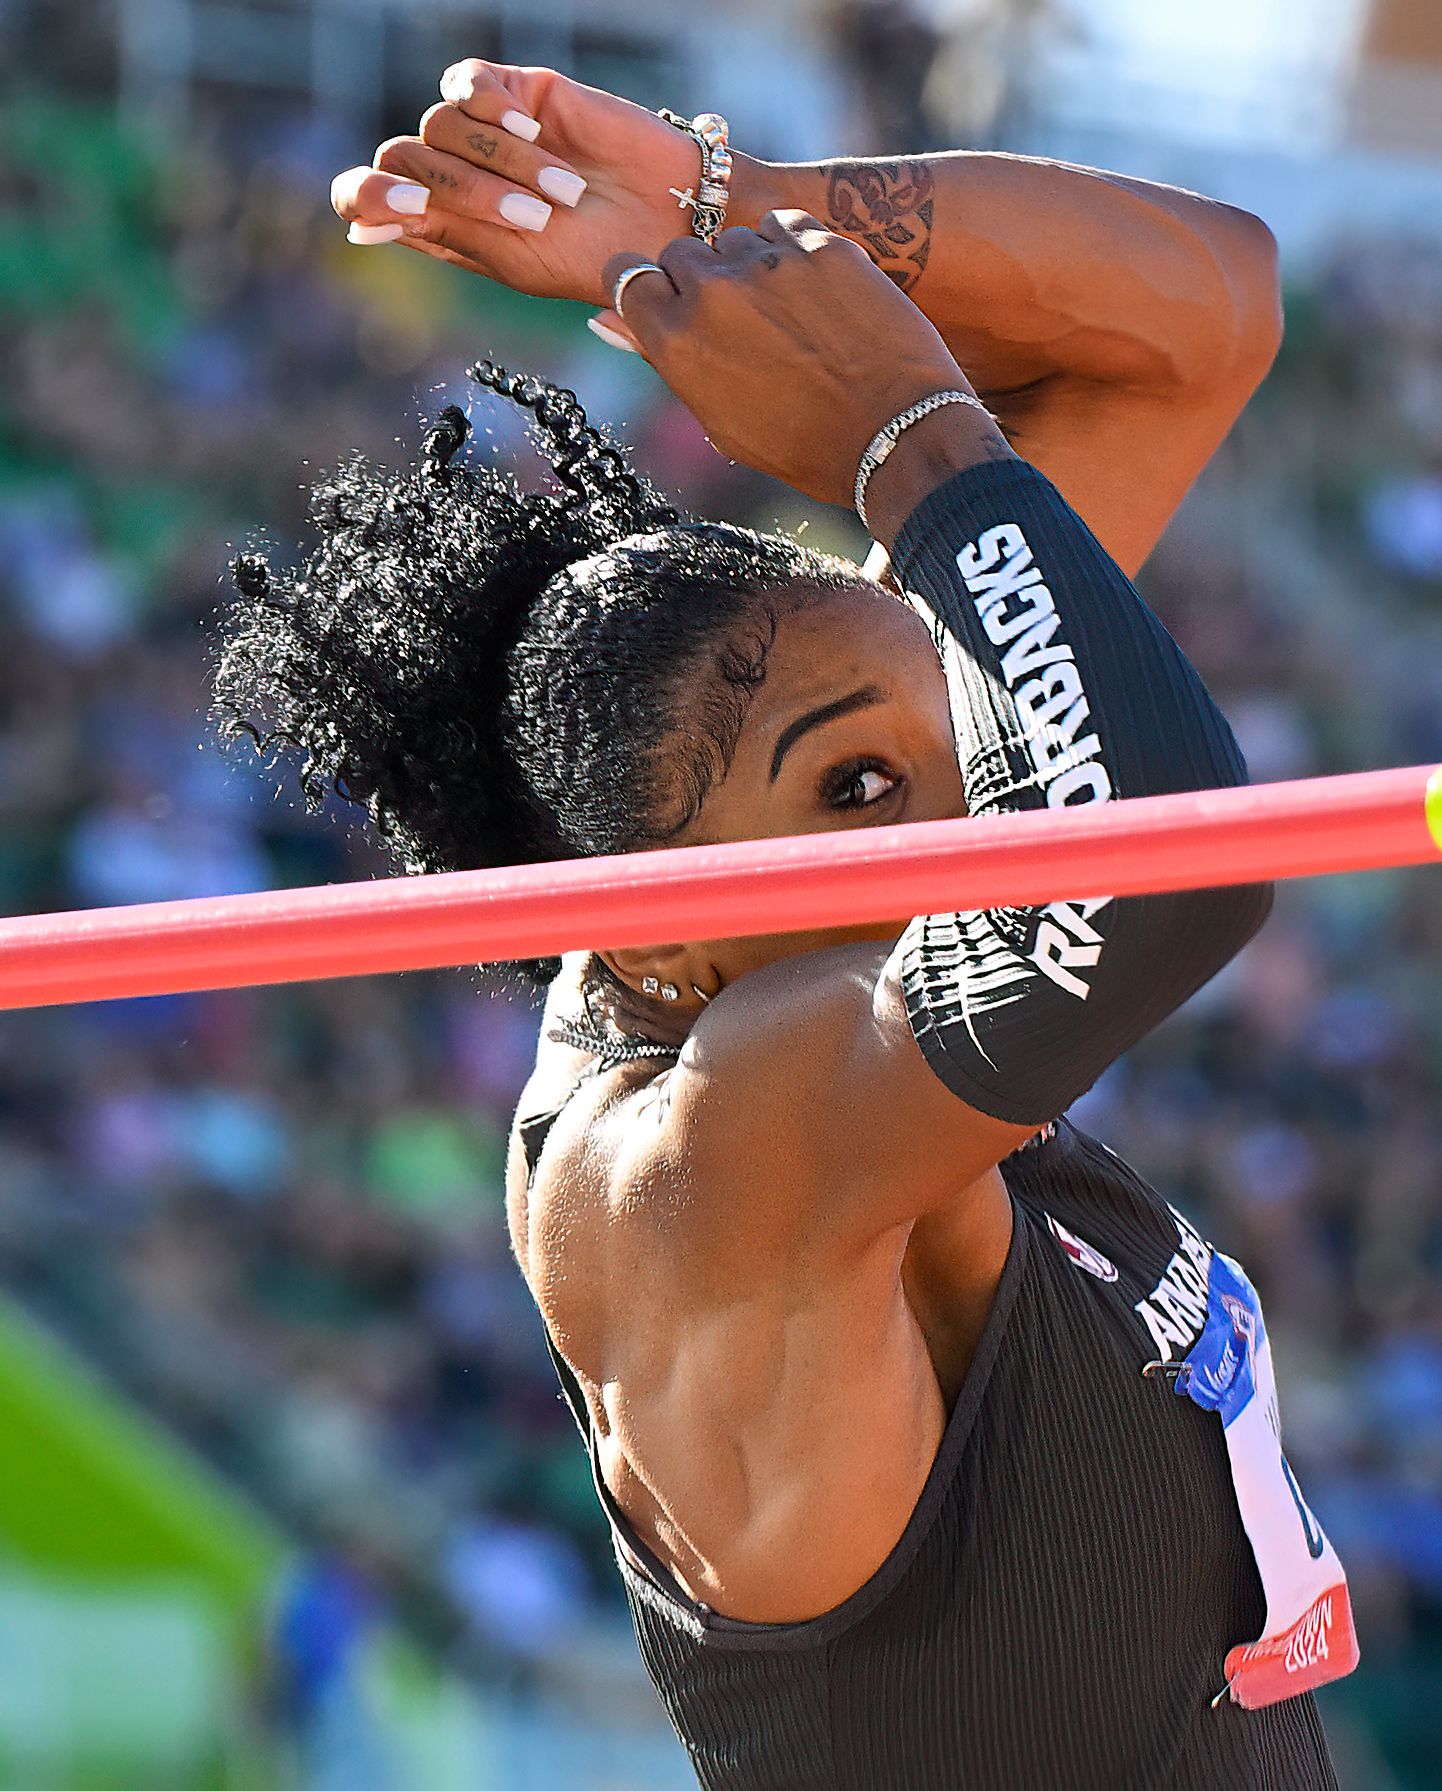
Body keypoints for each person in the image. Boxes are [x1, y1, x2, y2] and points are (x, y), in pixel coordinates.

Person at [217, 63, 1352, 1790]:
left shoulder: (819, 925)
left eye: (954, 745)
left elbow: (1199, 316)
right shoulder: (695, 1169)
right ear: (644, 930)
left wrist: (711, 213)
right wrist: (910, 441)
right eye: (854, 793)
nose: (970, 813)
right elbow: (1163, 872)